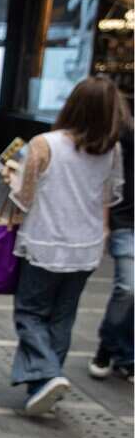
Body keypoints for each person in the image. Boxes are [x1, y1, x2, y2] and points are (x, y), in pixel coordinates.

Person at [4, 76, 127, 414]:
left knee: (29, 314)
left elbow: (23, 199)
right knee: (62, 318)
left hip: (45, 240)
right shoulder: (110, 149)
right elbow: (107, 197)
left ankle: (47, 374)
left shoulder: (44, 144)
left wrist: (12, 180)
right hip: (85, 245)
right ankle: (43, 387)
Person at [90, 120, 134, 381]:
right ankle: (108, 346)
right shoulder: (127, 134)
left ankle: (126, 353)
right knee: (128, 288)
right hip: (127, 222)